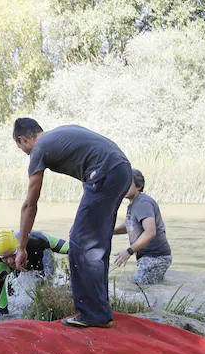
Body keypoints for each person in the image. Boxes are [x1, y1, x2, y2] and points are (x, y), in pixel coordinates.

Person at [13, 118, 131, 329]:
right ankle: (101, 311)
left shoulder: (39, 148)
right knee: (95, 242)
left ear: (23, 140)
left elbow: (30, 204)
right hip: (121, 171)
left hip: (104, 173)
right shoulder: (58, 135)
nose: (27, 154)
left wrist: (21, 247)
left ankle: (93, 314)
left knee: (79, 243)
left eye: (22, 149)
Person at [113, 169, 172, 285]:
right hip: (150, 257)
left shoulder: (142, 203)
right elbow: (130, 225)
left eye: (128, 183)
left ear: (139, 186)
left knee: (138, 287)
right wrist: (111, 231)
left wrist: (128, 251)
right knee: (151, 288)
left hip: (155, 257)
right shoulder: (134, 203)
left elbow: (150, 232)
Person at [0, 229, 68, 315]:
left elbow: (65, 246)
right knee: (3, 279)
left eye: (13, 255)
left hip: (40, 259)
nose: (10, 261)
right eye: (4, 257)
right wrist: (3, 317)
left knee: (43, 293)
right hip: (20, 265)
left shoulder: (34, 240)